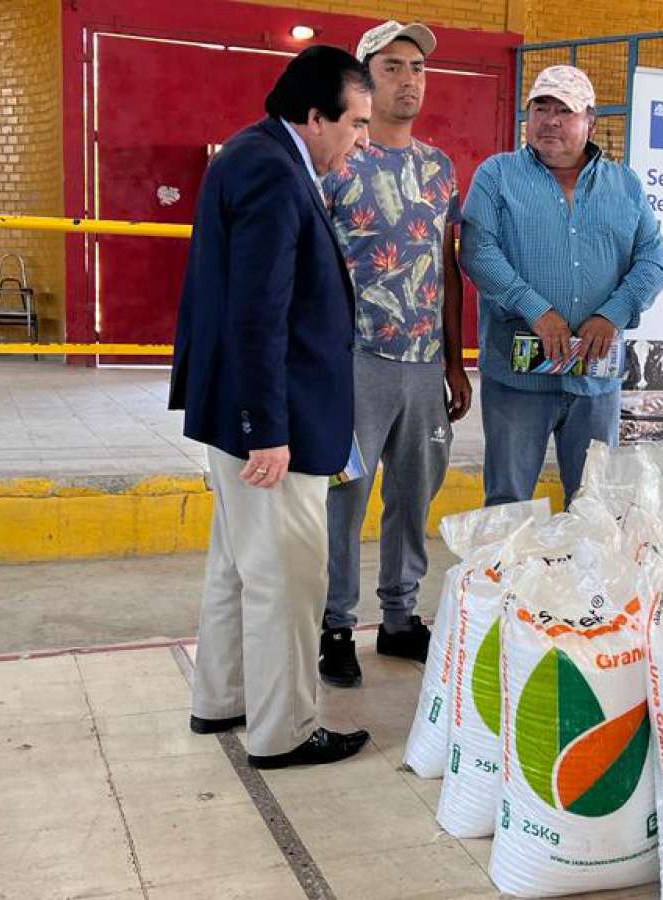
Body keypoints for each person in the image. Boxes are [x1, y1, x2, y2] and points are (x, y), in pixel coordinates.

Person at [168, 46, 375, 768]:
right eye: (355, 122)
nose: (362, 139)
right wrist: (268, 429)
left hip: (242, 411)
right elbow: (257, 313)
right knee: (287, 576)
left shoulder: (256, 157)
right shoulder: (271, 171)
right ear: (313, 117)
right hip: (269, 420)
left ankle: (220, 697)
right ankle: (284, 729)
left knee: (237, 564)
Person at [318, 20, 472, 688]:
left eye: (417, 69)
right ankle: (334, 624)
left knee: (413, 498)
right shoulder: (337, 162)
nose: (409, 80)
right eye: (392, 68)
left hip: (422, 363)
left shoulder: (439, 168)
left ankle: (401, 619)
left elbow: (445, 262)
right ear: (364, 80)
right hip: (354, 360)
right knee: (345, 500)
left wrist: (453, 359)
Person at [460, 65, 663, 508]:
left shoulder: (625, 185)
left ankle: (587, 580)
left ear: (590, 122)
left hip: (595, 381)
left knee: (596, 504)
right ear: (527, 115)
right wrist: (534, 308)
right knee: (507, 501)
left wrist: (612, 313)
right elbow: (478, 252)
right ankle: (509, 580)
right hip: (516, 381)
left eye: (565, 111)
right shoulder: (497, 175)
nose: (550, 120)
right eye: (541, 108)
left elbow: (653, 261)